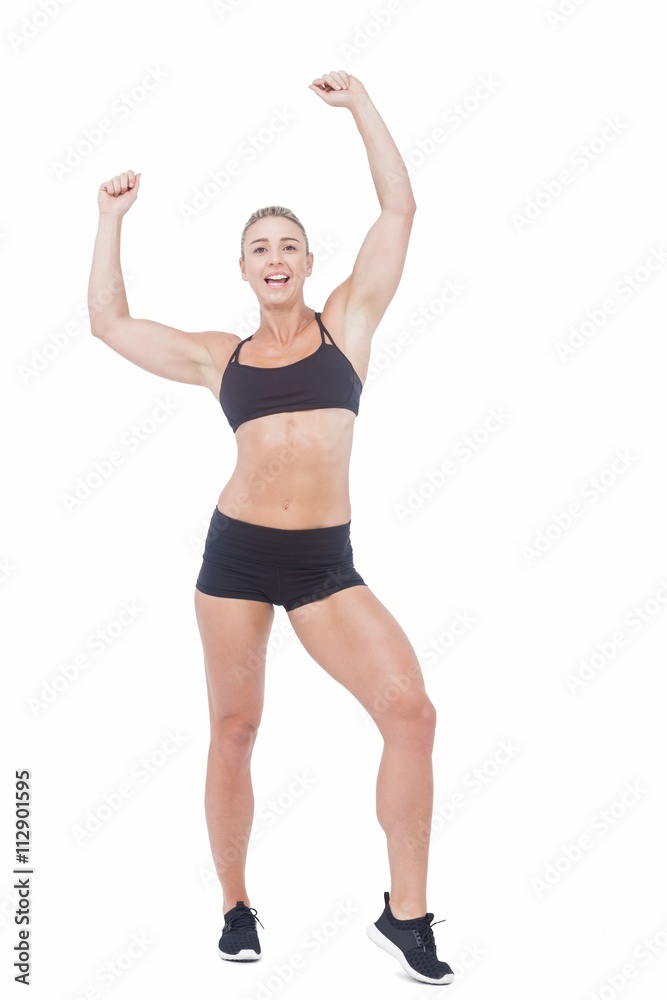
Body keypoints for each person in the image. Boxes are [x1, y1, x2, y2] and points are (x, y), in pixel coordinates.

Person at [87, 69, 453, 987]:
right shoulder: (222, 357)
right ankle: (236, 908)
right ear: (245, 271)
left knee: (410, 714)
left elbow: (399, 209)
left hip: (325, 565)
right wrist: (109, 220)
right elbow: (106, 323)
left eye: (289, 243)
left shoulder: (349, 328)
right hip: (238, 558)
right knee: (236, 728)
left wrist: (363, 103)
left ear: (309, 262)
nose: (275, 256)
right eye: (260, 247)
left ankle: (404, 915)